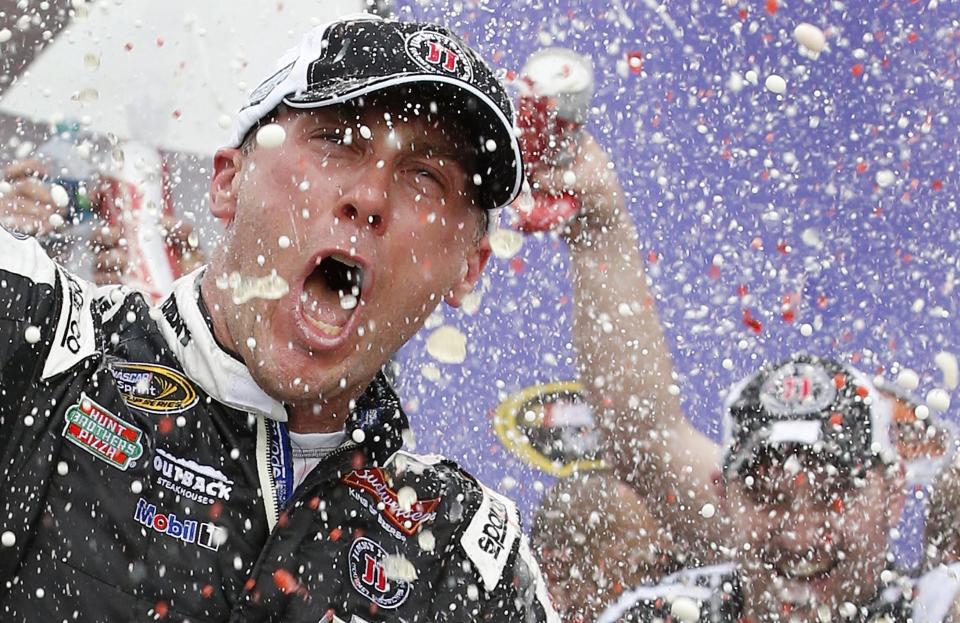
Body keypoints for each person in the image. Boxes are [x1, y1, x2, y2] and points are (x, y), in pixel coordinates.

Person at [0, 15, 558, 622]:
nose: (370, 197)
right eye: (339, 139)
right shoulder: (44, 345)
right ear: (228, 179)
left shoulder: (465, 554)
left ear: (469, 268)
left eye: (425, 177)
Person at [522, 131, 960, 619]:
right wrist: (598, 226)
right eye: (768, 496)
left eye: (832, 494)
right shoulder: (667, 613)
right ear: (724, 498)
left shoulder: (934, 609)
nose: (799, 534)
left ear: (893, 496)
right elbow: (642, 437)